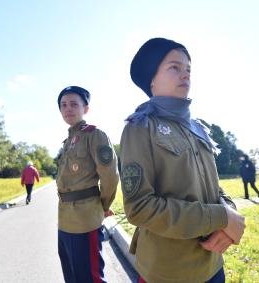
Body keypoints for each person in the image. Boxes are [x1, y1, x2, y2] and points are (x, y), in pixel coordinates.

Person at [119, 37, 246, 283]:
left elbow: (212, 189)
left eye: (188, 69)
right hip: (168, 272)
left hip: (212, 266)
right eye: (174, 68)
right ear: (152, 80)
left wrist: (228, 214)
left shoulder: (198, 128)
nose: (185, 75)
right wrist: (220, 217)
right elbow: (139, 207)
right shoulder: (140, 128)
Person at [56, 86, 119, 283]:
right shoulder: (67, 142)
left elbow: (110, 176)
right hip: (65, 218)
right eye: (63, 105)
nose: (68, 109)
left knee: (89, 278)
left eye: (74, 104)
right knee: (72, 277)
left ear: (86, 109)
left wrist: (104, 206)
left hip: (85, 219)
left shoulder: (95, 135)